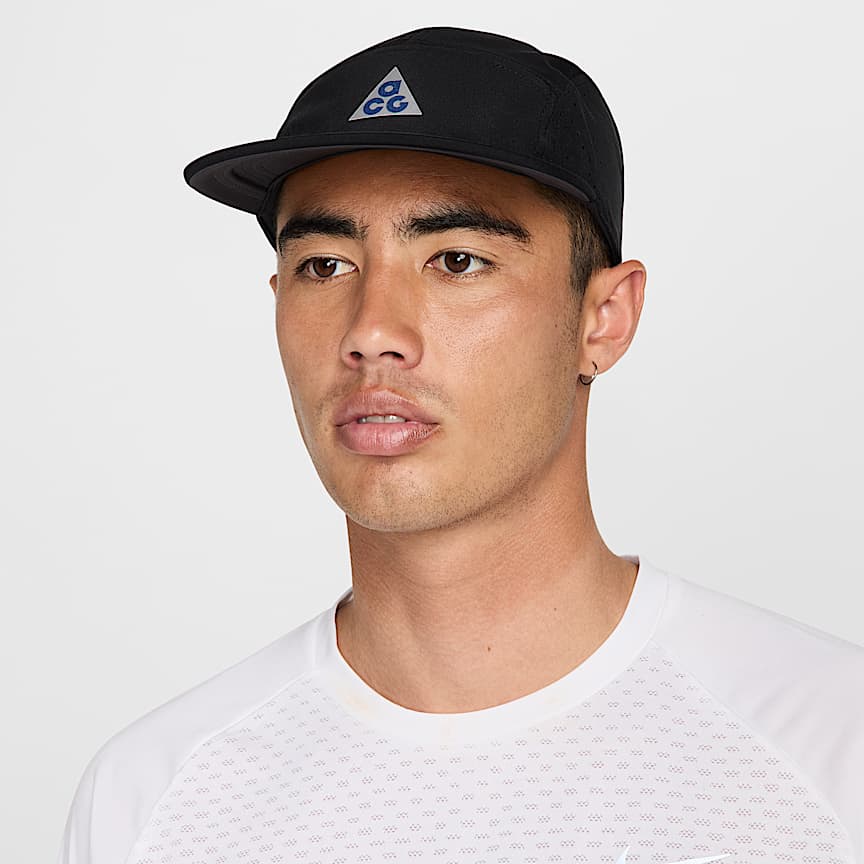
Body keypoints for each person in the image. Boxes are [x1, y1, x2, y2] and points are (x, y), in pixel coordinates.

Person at [57, 25, 863, 864]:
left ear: (604, 319)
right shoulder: (152, 802)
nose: (372, 331)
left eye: (456, 261)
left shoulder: (831, 753)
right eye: (324, 266)